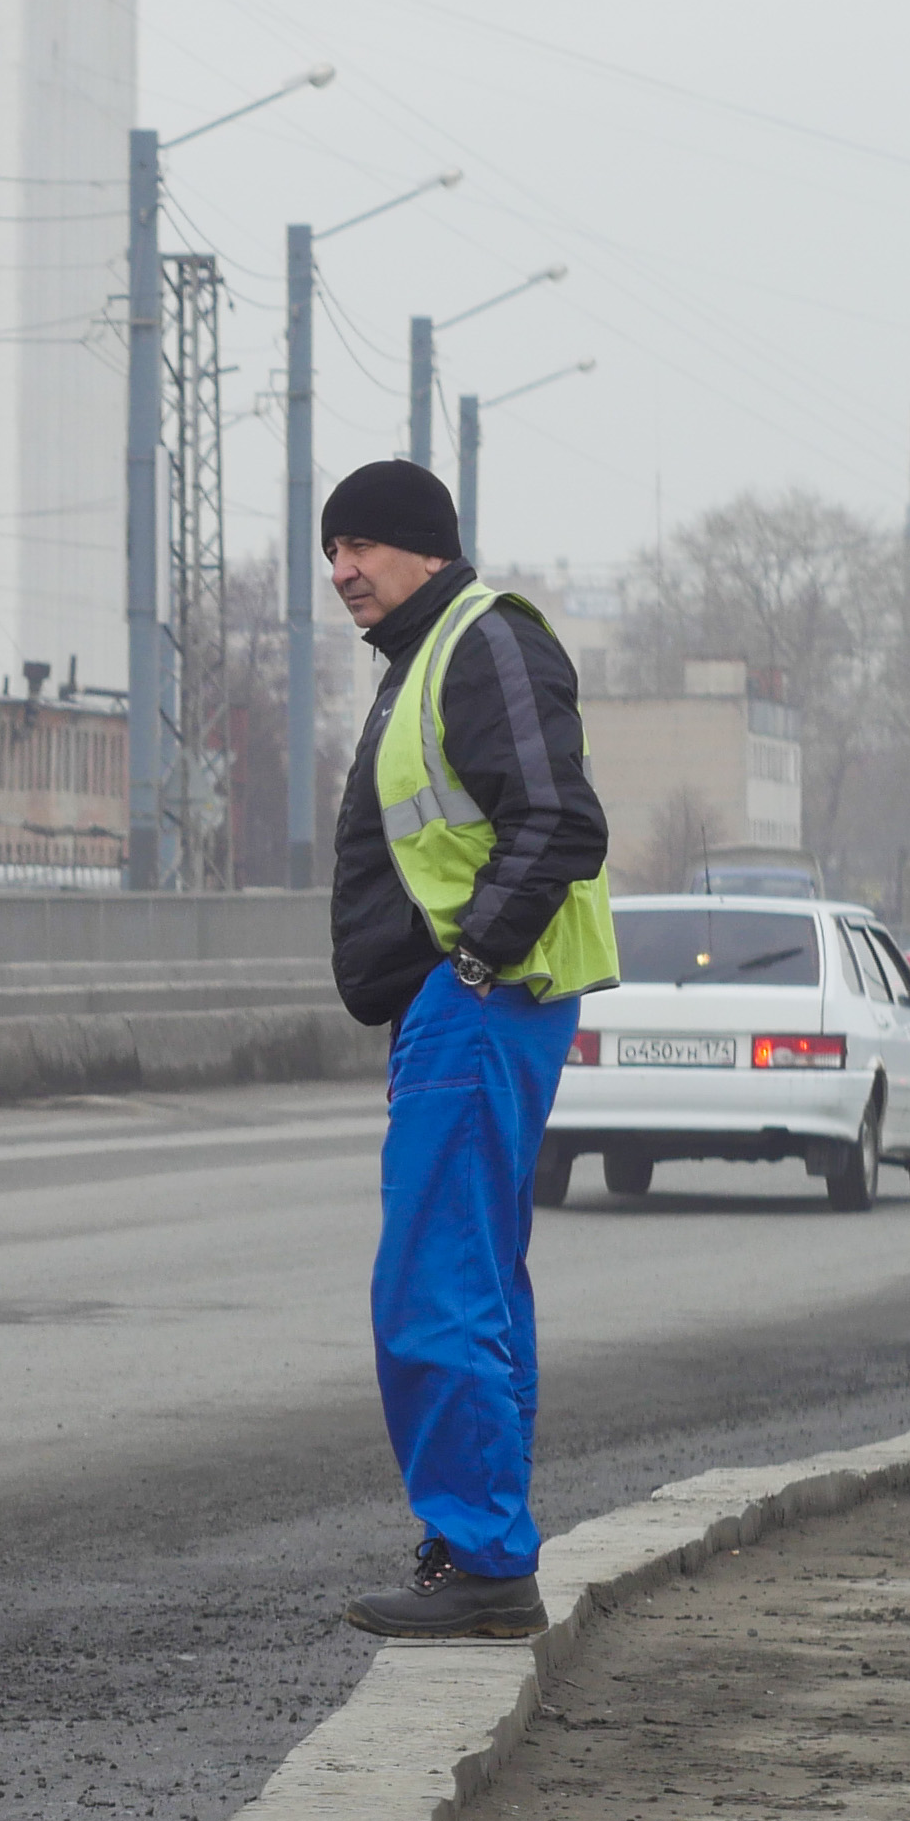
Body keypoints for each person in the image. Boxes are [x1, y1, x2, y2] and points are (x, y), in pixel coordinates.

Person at [320, 460, 614, 1638]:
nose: (342, 571)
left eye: (361, 546)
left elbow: (560, 819)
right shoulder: (425, 657)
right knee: (474, 1281)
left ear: (426, 549)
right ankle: (481, 1548)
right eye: (330, 552)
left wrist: (476, 960)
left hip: (483, 1002)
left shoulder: (481, 641)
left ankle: (486, 1557)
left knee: (433, 1283)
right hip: (467, 1005)